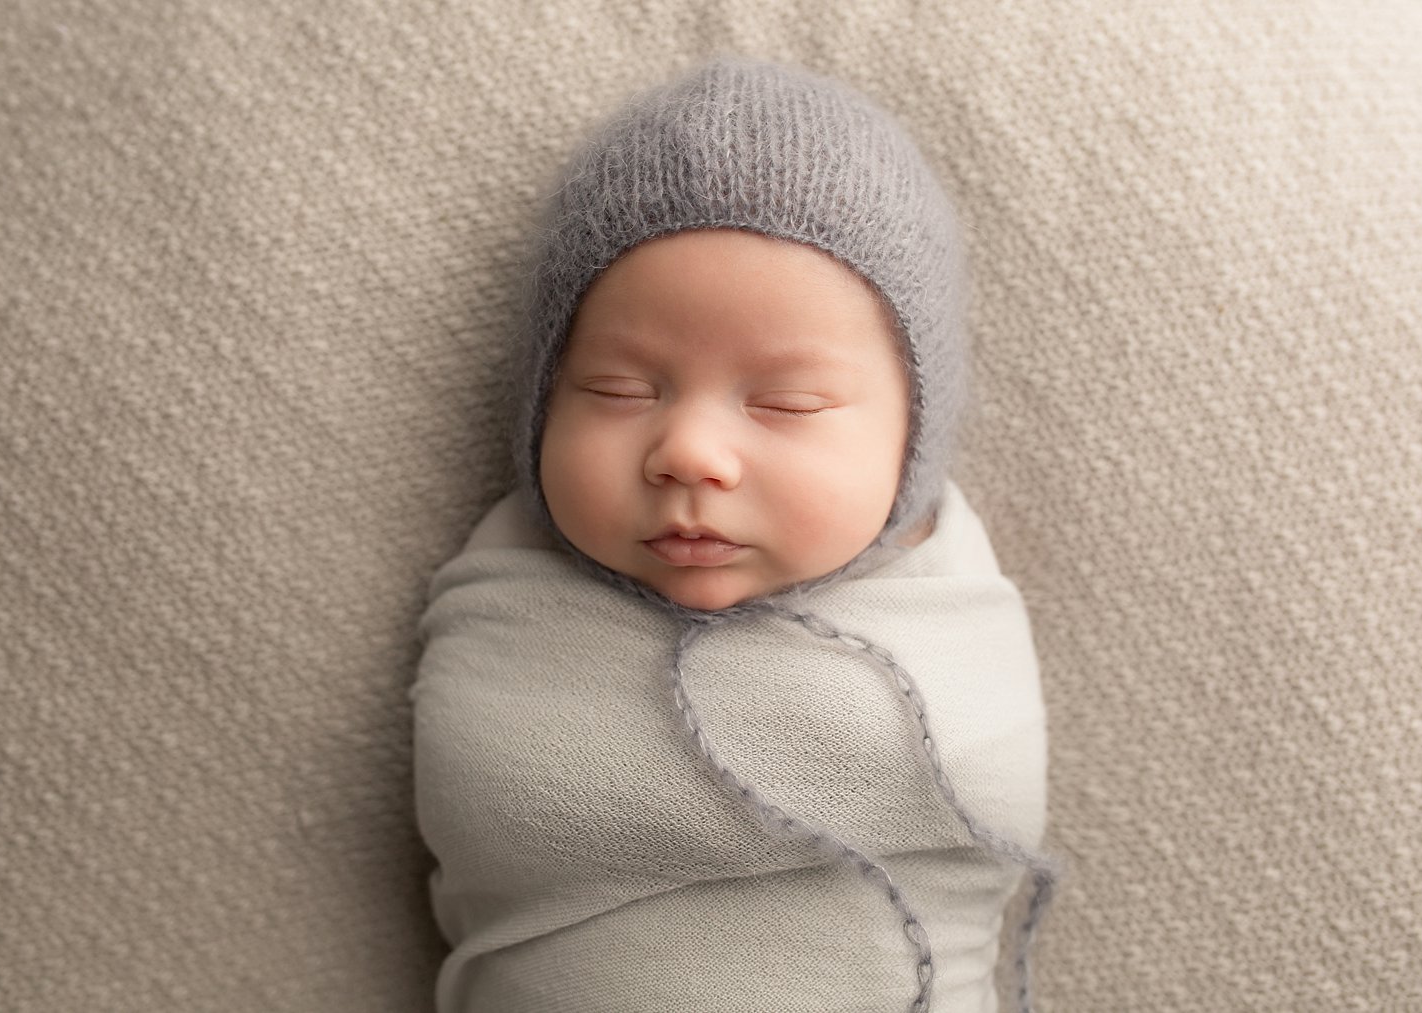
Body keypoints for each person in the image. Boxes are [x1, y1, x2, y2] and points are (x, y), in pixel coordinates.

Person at [410, 55, 1057, 1013]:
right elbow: (493, 802)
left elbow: (982, 776)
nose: (690, 453)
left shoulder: (944, 584)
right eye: (619, 390)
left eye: (786, 403)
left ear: (912, 436)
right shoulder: (510, 578)